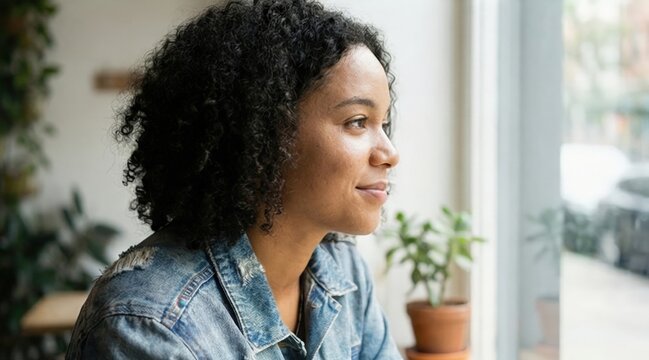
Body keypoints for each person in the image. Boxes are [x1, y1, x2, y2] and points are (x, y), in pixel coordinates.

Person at [67, 0, 401, 358]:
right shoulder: (146, 323)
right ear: (264, 132)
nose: (389, 153)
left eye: (382, 124)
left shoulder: (344, 274)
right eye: (357, 121)